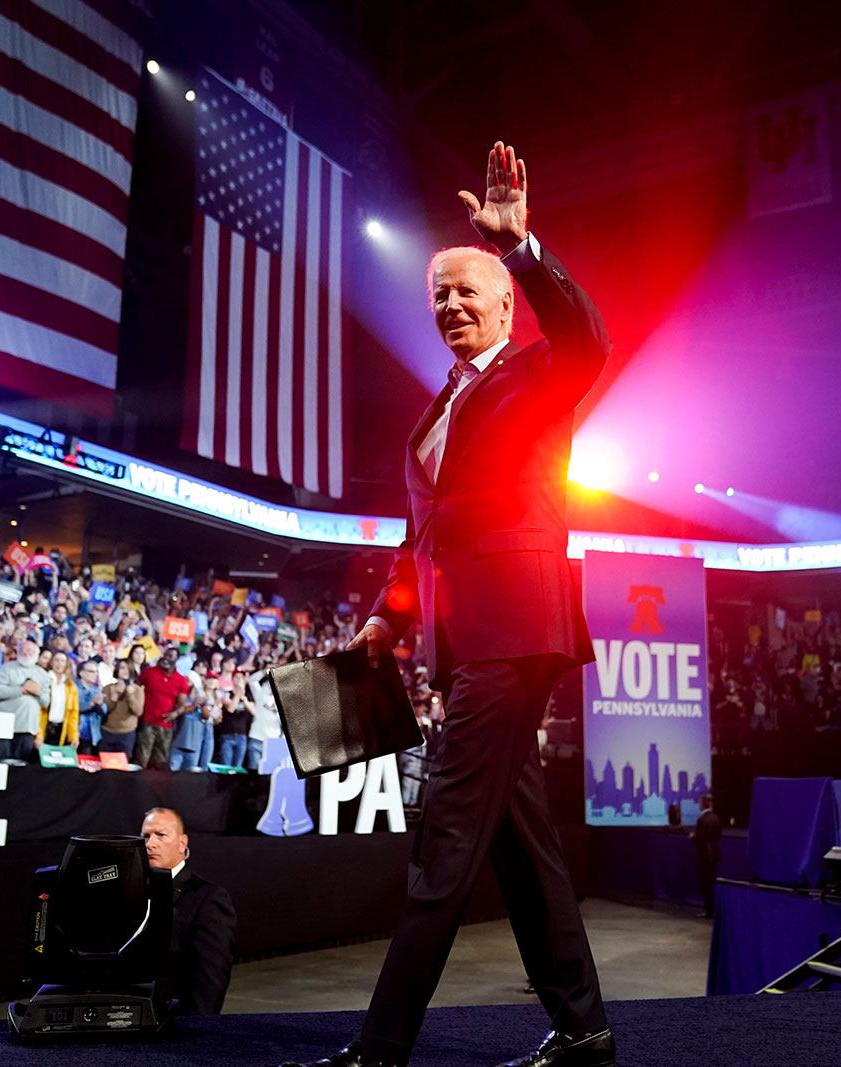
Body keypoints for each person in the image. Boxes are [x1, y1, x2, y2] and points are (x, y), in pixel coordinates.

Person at [287, 143, 613, 1067]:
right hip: (462, 644)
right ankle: (585, 1031)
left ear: (507, 300)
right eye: (438, 296)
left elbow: (591, 340)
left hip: (517, 636)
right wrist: (390, 616)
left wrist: (518, 246)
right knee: (521, 847)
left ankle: (381, 1048)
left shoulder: (537, 376)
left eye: (469, 290)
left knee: (446, 836)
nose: (451, 305)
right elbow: (421, 537)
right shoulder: (436, 409)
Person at [140, 807, 235, 1015]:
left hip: (175, 1026)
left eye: (161, 835)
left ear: (182, 843)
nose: (150, 844)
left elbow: (211, 980)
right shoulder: (131, 891)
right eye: (145, 836)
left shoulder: (208, 897)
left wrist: (196, 1032)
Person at [0, 639, 51, 762]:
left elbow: (46, 702)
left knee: (21, 767)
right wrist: (21, 690)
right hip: (4, 726)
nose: (26, 653)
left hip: (28, 728)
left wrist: (38, 692)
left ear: (36, 654)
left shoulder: (43, 675)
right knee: (1, 764)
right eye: (23, 651)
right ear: (17, 652)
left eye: (30, 651)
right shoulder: (6, 669)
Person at [135, 647, 188, 770]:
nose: (166, 658)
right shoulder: (149, 672)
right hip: (146, 722)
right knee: (141, 759)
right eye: (166, 655)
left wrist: (175, 713)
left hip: (166, 726)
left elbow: (181, 705)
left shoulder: (181, 681)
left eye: (170, 656)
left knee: (160, 762)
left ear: (177, 659)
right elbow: (136, 688)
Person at [37, 649, 80, 748]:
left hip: (61, 729)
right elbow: (39, 711)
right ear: (51, 662)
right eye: (56, 660)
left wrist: (74, 737)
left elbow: (73, 714)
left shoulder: (70, 686)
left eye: (62, 661)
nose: (59, 664)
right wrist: (39, 735)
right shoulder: (44, 680)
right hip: (44, 727)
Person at [100, 659, 143, 756]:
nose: (125, 671)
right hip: (107, 731)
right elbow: (105, 710)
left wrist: (130, 696)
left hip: (126, 733)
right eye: (122, 668)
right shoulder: (107, 688)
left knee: (122, 766)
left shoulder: (137, 690)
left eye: (128, 668)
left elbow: (138, 711)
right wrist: (114, 696)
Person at [691, 793, 723, 919]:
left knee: (705, 883)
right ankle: (712, 909)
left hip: (704, 855)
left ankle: (708, 910)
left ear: (702, 804)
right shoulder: (716, 818)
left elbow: (700, 838)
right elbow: (718, 835)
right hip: (713, 854)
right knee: (710, 882)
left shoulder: (701, 820)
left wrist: (692, 838)